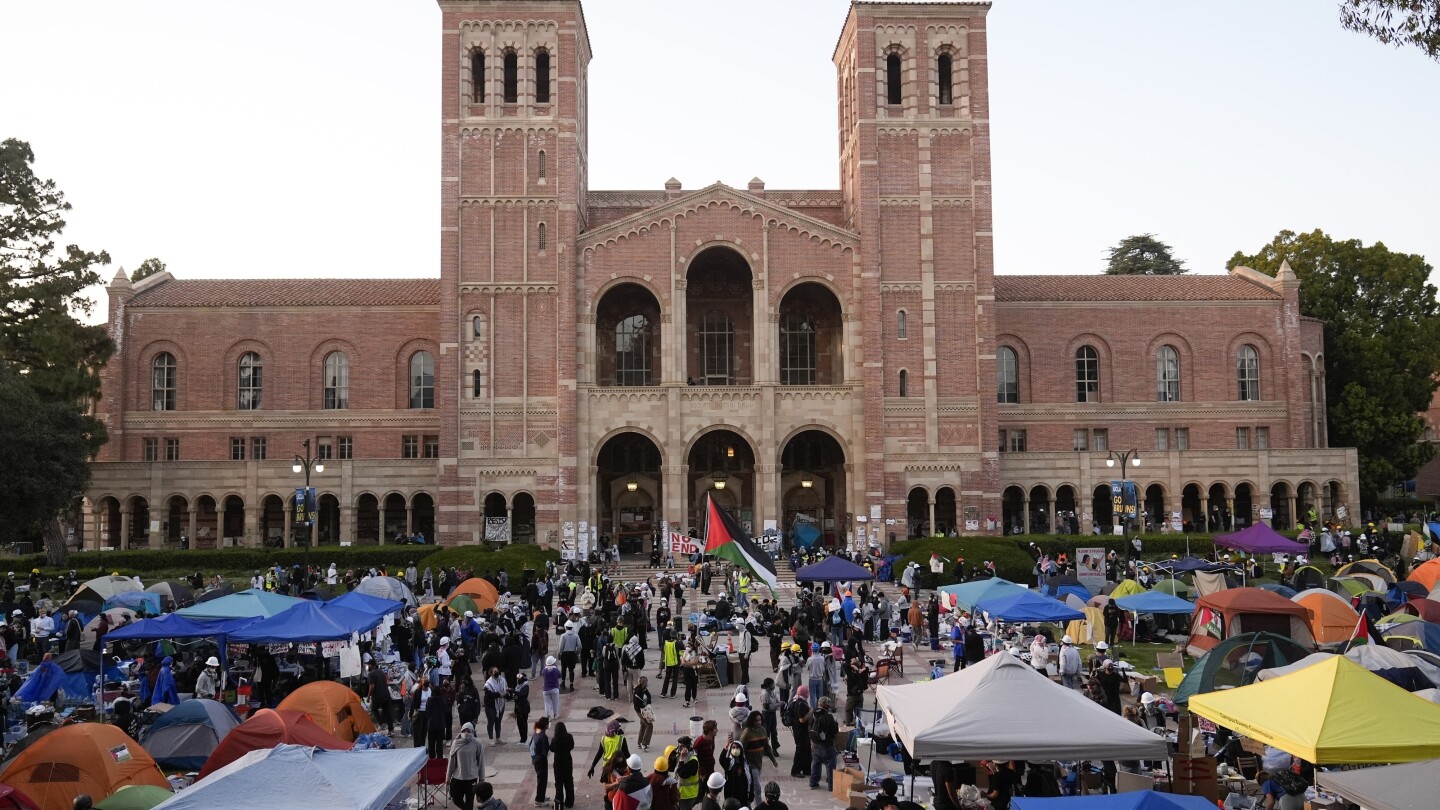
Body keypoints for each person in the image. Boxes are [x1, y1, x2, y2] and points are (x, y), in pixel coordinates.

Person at [738, 710, 777, 805]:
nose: (758, 722)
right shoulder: (747, 733)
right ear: (752, 721)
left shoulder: (763, 730)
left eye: (760, 720)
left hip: (759, 763)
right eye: (756, 720)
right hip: (751, 764)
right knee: (757, 788)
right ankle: (759, 806)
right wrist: (740, 765)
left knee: (753, 787)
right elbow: (740, 749)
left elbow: (767, 747)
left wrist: (773, 760)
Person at [447, 721, 487, 810]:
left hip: (471, 778)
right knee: (455, 798)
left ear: (472, 731)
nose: (466, 733)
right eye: (464, 731)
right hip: (458, 777)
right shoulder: (456, 743)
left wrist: (482, 778)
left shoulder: (477, 743)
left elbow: (481, 761)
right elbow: (452, 761)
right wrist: (448, 777)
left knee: (470, 801)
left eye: (468, 731)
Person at [807, 696, 839, 791]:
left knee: (816, 763)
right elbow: (835, 730)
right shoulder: (828, 717)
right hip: (827, 746)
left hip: (815, 744)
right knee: (830, 764)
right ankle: (831, 785)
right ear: (827, 706)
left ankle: (813, 783)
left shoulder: (814, 714)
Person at [788, 685, 812, 777]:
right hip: (800, 731)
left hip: (801, 730)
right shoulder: (800, 703)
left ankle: (806, 769)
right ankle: (795, 770)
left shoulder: (799, 701)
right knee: (801, 750)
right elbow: (801, 720)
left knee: (806, 750)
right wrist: (810, 712)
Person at [364, 660, 394, 734]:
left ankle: (381, 723)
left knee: (373, 709)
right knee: (387, 713)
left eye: (368, 665)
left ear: (371, 665)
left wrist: (368, 697)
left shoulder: (371, 674)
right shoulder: (382, 672)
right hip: (386, 695)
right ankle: (391, 730)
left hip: (377, 696)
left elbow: (372, 686)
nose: (367, 667)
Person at [552, 721, 576, 809]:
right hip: (568, 763)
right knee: (569, 782)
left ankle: (559, 804)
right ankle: (569, 802)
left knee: (559, 785)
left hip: (558, 764)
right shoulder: (569, 737)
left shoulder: (555, 739)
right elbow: (572, 746)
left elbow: (551, 748)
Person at [529, 717, 550, 806]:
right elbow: (545, 751)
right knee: (542, 780)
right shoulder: (543, 736)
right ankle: (539, 800)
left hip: (535, 759)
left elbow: (530, 745)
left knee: (541, 779)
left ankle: (541, 795)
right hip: (541, 761)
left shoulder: (535, 733)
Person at [482, 667, 507, 742]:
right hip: (491, 705)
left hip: (500, 704)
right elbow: (489, 695)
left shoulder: (502, 680)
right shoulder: (488, 684)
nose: (497, 672)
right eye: (494, 671)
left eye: (497, 671)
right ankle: (491, 739)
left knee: (498, 721)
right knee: (491, 721)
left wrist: (505, 693)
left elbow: (504, 689)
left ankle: (498, 738)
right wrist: (499, 694)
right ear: (491, 673)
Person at [633, 675, 655, 753]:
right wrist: (645, 707)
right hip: (640, 710)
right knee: (649, 725)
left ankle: (639, 742)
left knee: (643, 724)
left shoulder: (643, 689)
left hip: (644, 709)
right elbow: (637, 703)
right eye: (646, 682)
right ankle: (644, 743)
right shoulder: (637, 691)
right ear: (644, 683)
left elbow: (649, 695)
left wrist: (648, 703)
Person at [512, 673, 532, 743]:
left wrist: (513, 691)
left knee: (523, 723)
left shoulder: (525, 686)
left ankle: (524, 739)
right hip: (518, 707)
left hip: (523, 708)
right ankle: (522, 738)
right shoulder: (518, 686)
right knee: (519, 723)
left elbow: (522, 695)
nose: (518, 680)